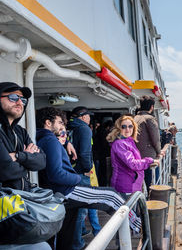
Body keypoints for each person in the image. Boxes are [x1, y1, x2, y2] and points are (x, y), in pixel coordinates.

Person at [36, 107, 141, 250]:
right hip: (66, 190)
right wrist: (77, 178)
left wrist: (66, 143)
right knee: (111, 196)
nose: (63, 127)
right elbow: (56, 174)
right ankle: (140, 227)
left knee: (67, 229)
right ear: (48, 123)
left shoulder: (42, 139)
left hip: (57, 192)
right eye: (60, 122)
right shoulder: (50, 141)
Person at [0, 82, 50, 250]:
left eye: (23, 100)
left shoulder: (20, 132)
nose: (19, 102)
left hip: (21, 205)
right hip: (3, 211)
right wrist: (27, 160)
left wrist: (18, 156)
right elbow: (6, 170)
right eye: (13, 97)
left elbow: (41, 161)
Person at [67, 106, 100, 249]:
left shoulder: (69, 127)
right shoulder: (85, 129)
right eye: (88, 116)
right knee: (81, 210)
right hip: (81, 173)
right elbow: (85, 153)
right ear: (82, 116)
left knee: (74, 210)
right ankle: (77, 244)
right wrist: (87, 169)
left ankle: (78, 236)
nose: (90, 118)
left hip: (70, 172)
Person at [106, 115, 159, 194]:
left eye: (130, 126)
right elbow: (132, 164)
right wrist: (150, 161)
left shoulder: (129, 141)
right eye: (124, 127)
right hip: (125, 187)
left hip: (133, 185)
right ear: (119, 128)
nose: (127, 129)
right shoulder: (119, 144)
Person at [134, 96, 164, 191]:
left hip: (136, 157)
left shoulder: (135, 118)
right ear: (152, 107)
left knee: (140, 183)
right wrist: (159, 152)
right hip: (149, 157)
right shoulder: (149, 119)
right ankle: (154, 201)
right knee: (153, 182)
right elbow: (156, 139)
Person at [93, 120, 113, 186]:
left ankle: (101, 184)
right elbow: (105, 146)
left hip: (98, 156)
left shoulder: (98, 133)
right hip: (104, 155)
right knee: (105, 173)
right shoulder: (105, 134)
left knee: (100, 172)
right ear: (108, 127)